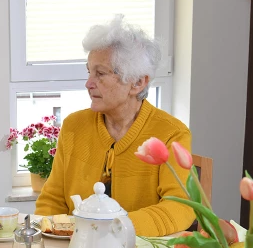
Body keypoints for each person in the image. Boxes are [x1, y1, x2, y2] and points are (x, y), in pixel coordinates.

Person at [35, 15, 194, 236]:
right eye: (89, 72)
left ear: (138, 82)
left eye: (100, 74)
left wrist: (115, 229)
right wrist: (52, 241)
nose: (88, 83)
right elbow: (52, 200)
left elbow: (181, 207)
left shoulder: (171, 134)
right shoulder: (74, 126)